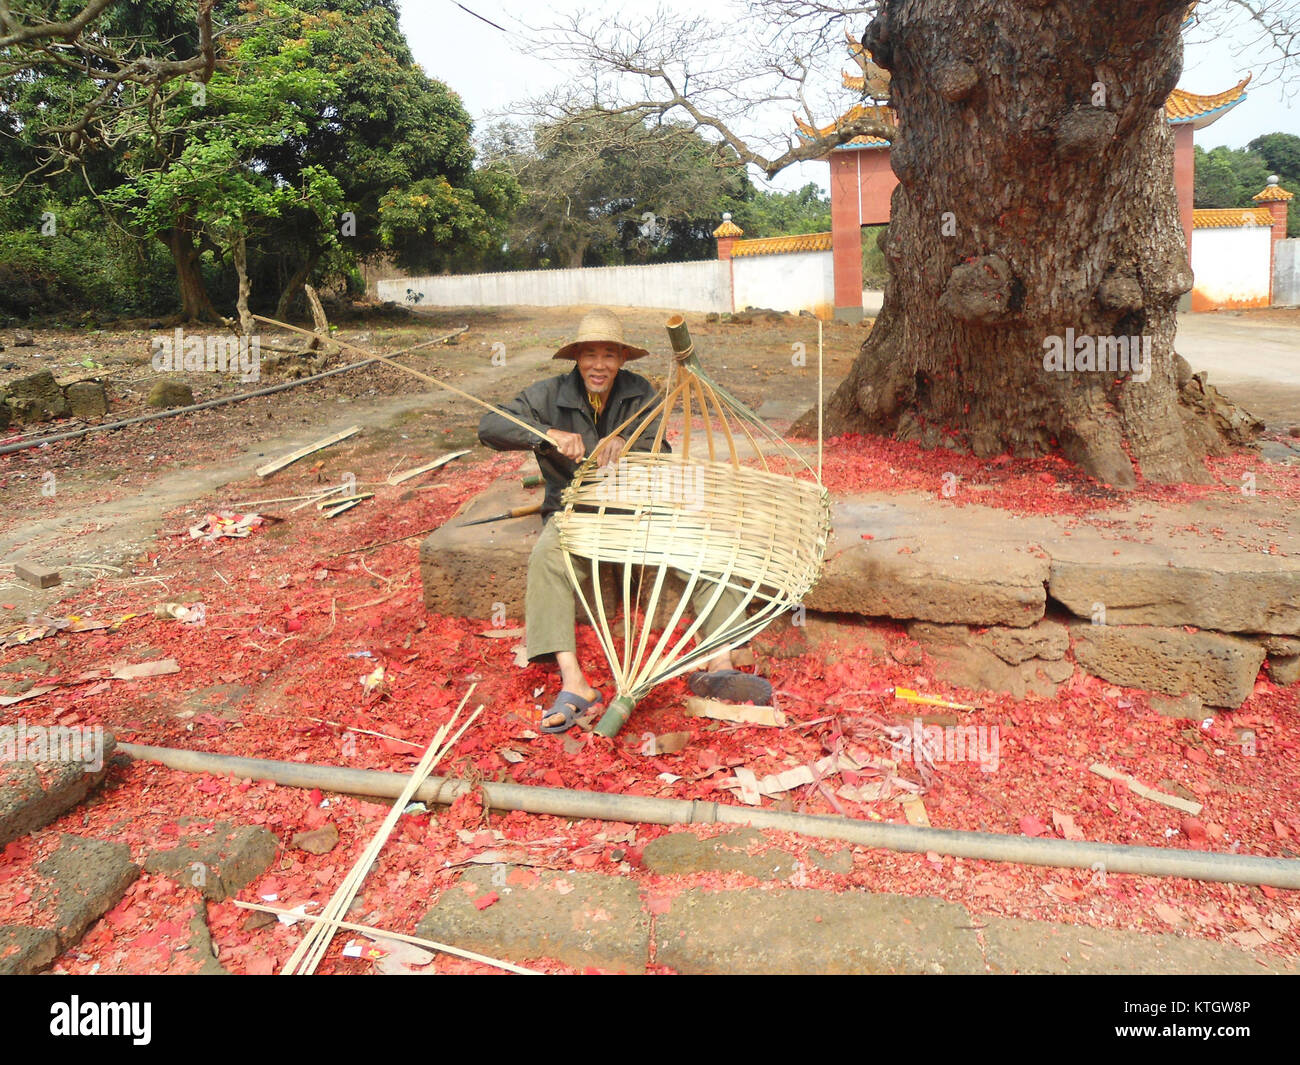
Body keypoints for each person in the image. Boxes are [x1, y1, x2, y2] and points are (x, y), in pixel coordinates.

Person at [478, 308, 772, 732]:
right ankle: (575, 681)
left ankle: (720, 661)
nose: (599, 365)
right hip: (575, 511)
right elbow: (489, 426)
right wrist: (546, 434)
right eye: (590, 354)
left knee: (708, 545)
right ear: (576, 357)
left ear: (622, 359)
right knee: (546, 558)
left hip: (639, 510)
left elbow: (661, 451)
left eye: (610, 355)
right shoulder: (548, 394)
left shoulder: (642, 393)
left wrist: (630, 446)